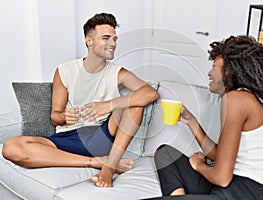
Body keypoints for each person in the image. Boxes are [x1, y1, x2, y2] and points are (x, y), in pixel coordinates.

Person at [2, 13, 159, 188]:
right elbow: (55, 116)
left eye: (115, 39)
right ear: (89, 41)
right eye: (106, 38)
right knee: (10, 147)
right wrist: (64, 117)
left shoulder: (118, 73)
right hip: (66, 137)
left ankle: (109, 167)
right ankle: (98, 162)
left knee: (134, 103)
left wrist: (106, 106)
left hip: (101, 135)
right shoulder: (65, 70)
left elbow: (150, 93)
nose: (113, 44)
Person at [154, 35, 263, 199]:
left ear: (230, 70)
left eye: (214, 66)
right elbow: (218, 156)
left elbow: (222, 178)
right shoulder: (245, 97)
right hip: (231, 185)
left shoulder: (237, 100)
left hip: (244, 192)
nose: (209, 73)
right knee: (165, 154)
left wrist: (199, 166)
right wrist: (191, 122)